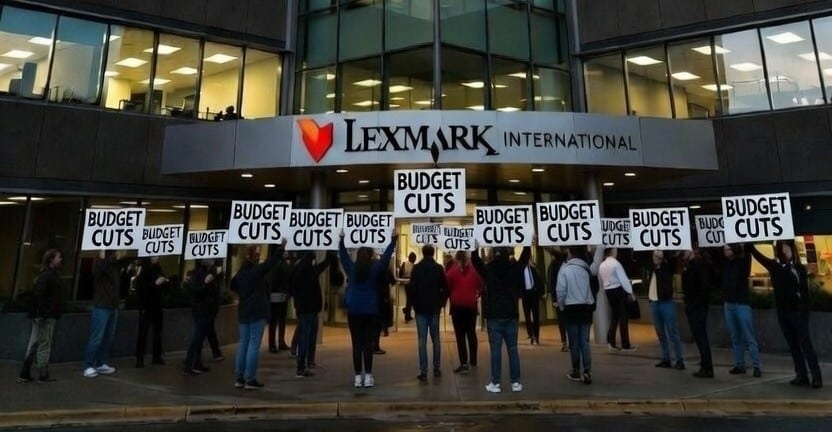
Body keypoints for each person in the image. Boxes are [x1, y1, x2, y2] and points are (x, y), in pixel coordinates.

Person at [749, 241, 822, 389]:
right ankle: (801, 374)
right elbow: (759, 257)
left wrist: (804, 310)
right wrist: (749, 245)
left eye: (787, 247)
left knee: (805, 344)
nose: (785, 250)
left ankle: (816, 376)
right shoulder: (775, 266)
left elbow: (804, 291)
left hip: (798, 312)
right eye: (783, 248)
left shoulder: (798, 268)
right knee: (793, 345)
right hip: (783, 312)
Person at [339, 234, 397, 388]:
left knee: (356, 344)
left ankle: (358, 377)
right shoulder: (375, 269)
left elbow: (343, 257)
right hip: (371, 310)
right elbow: (385, 258)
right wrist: (393, 241)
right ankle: (368, 376)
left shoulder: (352, 269)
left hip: (354, 311)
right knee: (368, 344)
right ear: (371, 256)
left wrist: (341, 240)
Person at [471, 245, 528, 393]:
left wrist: (474, 245)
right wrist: (528, 243)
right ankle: (515, 382)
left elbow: (475, 261)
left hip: (494, 315)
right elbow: (524, 258)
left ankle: (495, 382)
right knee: (513, 349)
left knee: (495, 350)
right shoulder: (514, 268)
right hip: (511, 314)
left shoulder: (488, 269)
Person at [231, 244, 284, 390]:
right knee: (253, 345)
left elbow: (233, 287)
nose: (259, 256)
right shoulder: (256, 271)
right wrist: (281, 248)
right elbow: (270, 263)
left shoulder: (239, 274)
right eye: (257, 254)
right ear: (251, 256)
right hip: (257, 312)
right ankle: (250, 378)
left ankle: (239, 378)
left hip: (244, 312)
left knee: (243, 344)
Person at [18, 249, 63, 383]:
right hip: (46, 315)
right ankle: (43, 373)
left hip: (41, 314)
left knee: (35, 342)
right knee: (44, 343)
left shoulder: (45, 275)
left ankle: (25, 372)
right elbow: (40, 296)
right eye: (58, 257)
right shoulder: (49, 276)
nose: (60, 259)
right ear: (51, 259)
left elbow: (38, 295)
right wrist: (44, 312)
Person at [406, 244, 448, 381]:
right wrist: (441, 303)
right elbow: (445, 287)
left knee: (422, 340)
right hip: (434, 308)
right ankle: (436, 367)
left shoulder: (417, 268)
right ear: (433, 253)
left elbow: (411, 288)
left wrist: (414, 304)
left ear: (423, 253)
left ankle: (423, 370)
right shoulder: (439, 268)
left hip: (421, 308)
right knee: (436, 339)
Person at [290, 251, 334, 378]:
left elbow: (293, 288)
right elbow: (321, 267)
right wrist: (329, 255)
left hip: (302, 308)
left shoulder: (298, 270)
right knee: (308, 337)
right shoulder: (310, 270)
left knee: (304, 335)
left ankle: (304, 364)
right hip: (311, 308)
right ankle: (304, 365)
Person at [556, 247, 596, 384]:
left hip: (571, 307)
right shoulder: (586, 269)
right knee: (584, 341)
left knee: (574, 342)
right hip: (585, 307)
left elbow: (561, 290)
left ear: (570, 254)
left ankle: (576, 371)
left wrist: (561, 306)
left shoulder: (565, 269)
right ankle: (587, 371)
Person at [721, 244, 762, 377]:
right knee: (735, 337)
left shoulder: (742, 262)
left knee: (749, 336)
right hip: (729, 303)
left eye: (727, 248)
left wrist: (739, 247)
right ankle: (740, 364)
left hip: (741, 303)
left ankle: (756, 365)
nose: (725, 250)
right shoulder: (725, 264)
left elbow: (748, 252)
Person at [83, 250, 122, 378]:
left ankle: (101, 363)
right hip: (102, 304)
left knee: (108, 337)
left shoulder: (115, 262)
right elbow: (96, 273)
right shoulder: (101, 259)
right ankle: (88, 365)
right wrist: (103, 258)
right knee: (97, 337)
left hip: (112, 304)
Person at [645, 250, 685, 371]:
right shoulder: (651, 268)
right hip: (654, 302)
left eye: (658, 255)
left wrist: (663, 260)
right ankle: (666, 358)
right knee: (660, 332)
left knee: (672, 331)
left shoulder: (666, 267)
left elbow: (672, 261)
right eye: (654, 255)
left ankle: (679, 360)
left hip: (666, 302)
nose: (655, 257)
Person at [183, 259, 224, 376]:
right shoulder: (199, 274)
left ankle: (196, 363)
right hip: (202, 309)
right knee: (198, 337)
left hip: (206, 310)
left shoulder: (209, 272)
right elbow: (197, 291)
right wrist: (206, 283)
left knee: (200, 337)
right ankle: (190, 364)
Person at [445, 251, 482, 374]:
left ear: (456, 258)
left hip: (457, 306)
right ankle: (473, 360)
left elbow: (447, 283)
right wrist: (476, 295)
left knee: (460, 335)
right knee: (471, 333)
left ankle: (464, 363)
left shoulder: (453, 270)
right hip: (471, 305)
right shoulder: (473, 270)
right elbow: (481, 284)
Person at [682, 247, 714, 378]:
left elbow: (703, 287)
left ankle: (707, 367)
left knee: (701, 337)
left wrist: (693, 304)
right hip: (693, 305)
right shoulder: (689, 265)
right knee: (699, 337)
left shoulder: (698, 264)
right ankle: (705, 364)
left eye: (684, 251)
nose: (682, 254)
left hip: (697, 306)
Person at [599, 248, 637, 352]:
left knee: (614, 316)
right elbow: (623, 279)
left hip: (608, 290)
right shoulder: (616, 264)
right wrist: (630, 292)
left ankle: (611, 342)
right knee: (623, 317)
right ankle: (625, 344)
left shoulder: (602, 265)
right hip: (618, 290)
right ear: (613, 252)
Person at [134, 256, 168, 368]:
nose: (157, 257)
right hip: (146, 305)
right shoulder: (144, 269)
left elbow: (164, 284)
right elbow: (141, 287)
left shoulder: (158, 268)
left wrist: (164, 282)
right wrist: (156, 283)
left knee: (157, 332)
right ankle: (140, 358)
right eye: (155, 256)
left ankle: (156, 356)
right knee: (143, 333)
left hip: (157, 305)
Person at [268, 251, 294, 353]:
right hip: (280, 293)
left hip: (274, 293)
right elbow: (288, 275)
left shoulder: (273, 263)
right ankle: (278, 342)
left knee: (274, 320)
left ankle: (274, 343)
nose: (287, 253)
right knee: (280, 319)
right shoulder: (282, 264)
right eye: (286, 252)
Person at [546, 248, 568, 352]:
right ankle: (570, 341)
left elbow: (551, 282)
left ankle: (564, 342)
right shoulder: (567, 264)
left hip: (558, 297)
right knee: (569, 320)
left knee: (561, 320)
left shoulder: (553, 266)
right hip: (569, 296)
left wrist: (554, 299)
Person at [373, 263, 395, 354]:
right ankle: (384, 330)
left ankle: (371, 344)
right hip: (384, 296)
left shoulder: (372, 269)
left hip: (373, 297)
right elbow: (393, 281)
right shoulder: (386, 269)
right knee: (383, 316)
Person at [520, 257, 542, 345]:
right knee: (527, 316)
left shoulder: (534, 269)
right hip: (525, 295)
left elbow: (539, 280)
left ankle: (536, 336)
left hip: (534, 294)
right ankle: (531, 334)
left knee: (536, 316)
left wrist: (540, 292)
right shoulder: (521, 270)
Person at [399, 252, 417, 322]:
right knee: (411, 300)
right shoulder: (414, 266)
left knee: (409, 299)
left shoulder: (404, 264)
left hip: (405, 283)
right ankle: (407, 313)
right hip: (411, 284)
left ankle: (407, 313)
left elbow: (400, 273)